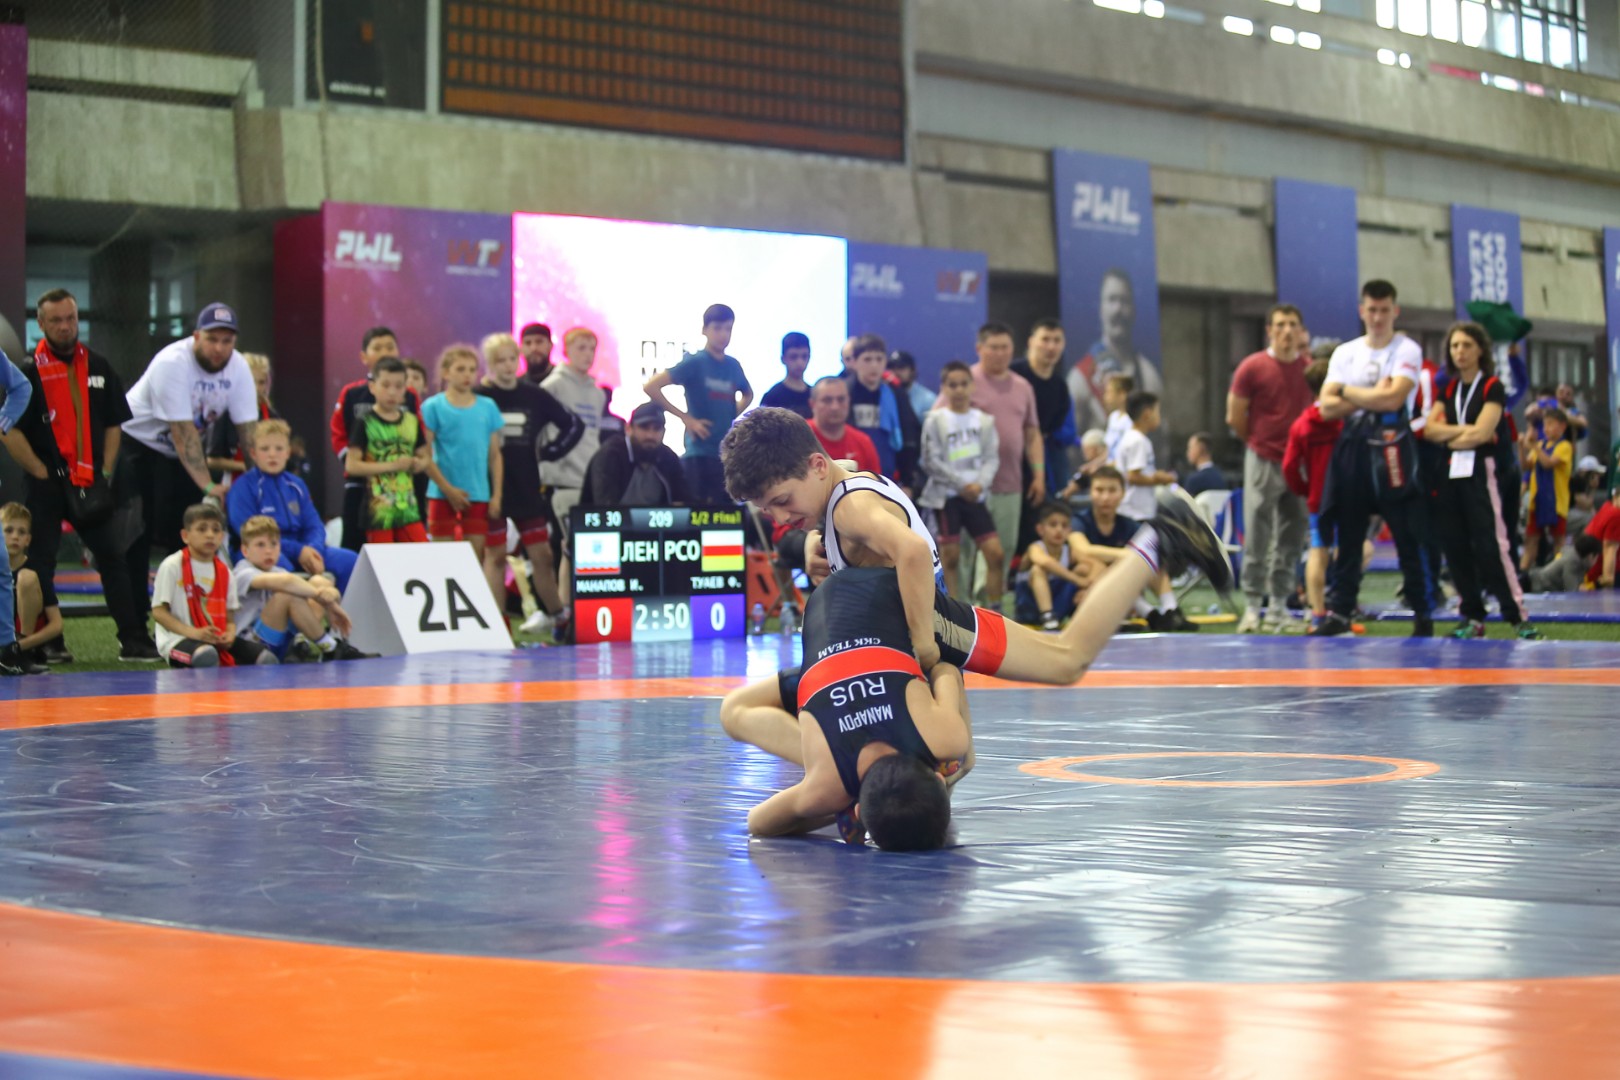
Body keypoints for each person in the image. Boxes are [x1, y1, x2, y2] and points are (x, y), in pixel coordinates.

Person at [719, 408, 1228, 681]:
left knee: (1066, 660)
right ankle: (1159, 539)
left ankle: (1159, 538)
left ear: (815, 466)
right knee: (955, 758)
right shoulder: (839, 482)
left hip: (931, 625)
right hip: (924, 618)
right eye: (768, 510)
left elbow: (911, 552)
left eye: (782, 502)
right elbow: (840, 474)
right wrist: (817, 536)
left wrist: (924, 644)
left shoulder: (849, 509)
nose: (780, 518)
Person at [718, 566, 974, 850]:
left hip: (851, 604)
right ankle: (833, 764)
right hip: (835, 652)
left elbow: (946, 669)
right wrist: (837, 803)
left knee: (732, 711)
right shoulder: (826, 786)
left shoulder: (946, 738)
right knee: (733, 713)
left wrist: (963, 742)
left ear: (938, 778)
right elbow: (759, 822)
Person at [0, 291, 151, 662]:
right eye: (56, 320)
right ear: (41, 323)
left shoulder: (98, 365)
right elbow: (8, 428)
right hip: (46, 484)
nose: (65, 326)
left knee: (113, 556)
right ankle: (47, 642)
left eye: (70, 318)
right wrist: (39, 470)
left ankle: (133, 638)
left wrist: (105, 470)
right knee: (40, 562)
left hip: (89, 481)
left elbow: (114, 422)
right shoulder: (26, 371)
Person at [121, 303, 260, 635]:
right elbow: (183, 435)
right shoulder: (173, 363)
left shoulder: (238, 367)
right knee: (137, 534)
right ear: (196, 336)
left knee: (187, 534)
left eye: (227, 341)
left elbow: (249, 432)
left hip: (177, 452)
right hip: (137, 443)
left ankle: (189, 623)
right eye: (212, 339)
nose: (219, 348)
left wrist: (259, 483)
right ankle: (135, 631)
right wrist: (209, 487)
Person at [1312, 280, 1435, 638]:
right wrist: (1370, 394)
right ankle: (1340, 611)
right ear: (1361, 311)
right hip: (1353, 445)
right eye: (1372, 310)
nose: (1378, 317)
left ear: (1395, 311)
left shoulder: (1407, 349)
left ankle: (1422, 613)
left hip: (1393, 445)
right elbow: (1326, 407)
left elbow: (1393, 400)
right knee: (1349, 534)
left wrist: (1346, 392)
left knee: (1407, 533)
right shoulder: (1345, 352)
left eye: (1384, 310)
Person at [1422, 322, 1537, 640]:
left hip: (1482, 471)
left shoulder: (1491, 387)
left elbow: (1484, 432)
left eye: (1466, 345)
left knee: (1492, 544)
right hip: (1451, 472)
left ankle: (1517, 616)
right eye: (1455, 346)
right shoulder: (1448, 389)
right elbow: (1430, 430)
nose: (1460, 351)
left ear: (1480, 350)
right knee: (1454, 543)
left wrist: (1451, 435)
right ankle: (1472, 616)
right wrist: (1464, 433)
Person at [476, 332, 584, 634]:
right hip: (491, 488)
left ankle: (557, 614)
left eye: (512, 359)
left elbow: (573, 424)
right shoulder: (481, 396)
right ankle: (497, 622)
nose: (508, 366)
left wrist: (550, 452)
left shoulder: (533, 394)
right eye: (500, 361)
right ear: (490, 364)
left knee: (542, 555)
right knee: (495, 555)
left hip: (527, 484)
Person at [1227, 304, 1314, 633]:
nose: (1287, 331)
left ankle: (1278, 605)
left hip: (1298, 461)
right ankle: (1252, 606)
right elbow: (1235, 415)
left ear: (1300, 331)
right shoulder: (1252, 367)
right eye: (1280, 325)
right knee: (1257, 532)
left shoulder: (1308, 370)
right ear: (1270, 330)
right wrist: (1257, 441)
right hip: (1263, 457)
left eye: (1293, 324)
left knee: (1292, 534)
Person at [961, 322, 1044, 604]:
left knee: (1003, 549)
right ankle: (957, 610)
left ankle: (988, 610)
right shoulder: (964, 382)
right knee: (965, 552)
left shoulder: (1023, 387)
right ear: (979, 349)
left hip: (1010, 483)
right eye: (993, 347)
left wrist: (1039, 474)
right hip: (969, 487)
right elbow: (940, 424)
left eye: (1005, 347)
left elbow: (1032, 433)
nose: (1000, 353)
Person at [226, 417, 358, 589]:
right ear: (253, 454)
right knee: (279, 565)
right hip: (264, 550)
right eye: (265, 449)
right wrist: (298, 551)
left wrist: (313, 550)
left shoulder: (297, 485)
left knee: (350, 561)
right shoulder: (243, 487)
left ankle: (338, 607)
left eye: (279, 448)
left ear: (288, 453)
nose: (272, 454)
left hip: (304, 549)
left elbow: (314, 525)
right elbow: (249, 534)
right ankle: (301, 606)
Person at [644, 303, 752, 504]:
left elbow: (748, 394)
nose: (723, 334)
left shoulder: (733, 365)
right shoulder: (695, 362)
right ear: (704, 330)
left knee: (727, 514)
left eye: (728, 329)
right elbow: (651, 386)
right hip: (699, 452)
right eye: (717, 328)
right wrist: (686, 419)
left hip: (727, 453)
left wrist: (732, 414)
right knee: (697, 512)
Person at [330, 327, 422, 552]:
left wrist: (415, 463)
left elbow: (419, 439)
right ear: (364, 356)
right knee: (358, 546)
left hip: (403, 488)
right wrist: (362, 466)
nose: (384, 352)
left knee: (414, 549)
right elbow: (339, 434)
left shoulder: (410, 396)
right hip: (361, 484)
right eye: (377, 348)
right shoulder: (352, 394)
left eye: (389, 347)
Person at [917, 360, 1002, 604]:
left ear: (972, 386)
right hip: (948, 497)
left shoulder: (984, 421)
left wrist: (980, 484)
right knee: (950, 556)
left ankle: (995, 609)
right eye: (952, 385)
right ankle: (954, 612)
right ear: (943, 388)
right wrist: (960, 486)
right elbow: (930, 460)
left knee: (995, 553)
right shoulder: (935, 420)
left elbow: (991, 457)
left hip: (976, 495)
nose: (959, 390)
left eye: (964, 384)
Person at [151, 503, 275, 668]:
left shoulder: (225, 572)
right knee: (206, 655)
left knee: (265, 658)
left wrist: (229, 635)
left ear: (222, 536)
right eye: (202, 529)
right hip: (177, 639)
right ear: (185, 536)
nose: (210, 535)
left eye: (216, 530)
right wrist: (194, 633)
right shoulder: (172, 565)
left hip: (214, 638)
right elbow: (159, 613)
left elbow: (229, 620)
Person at [231, 515, 370, 662]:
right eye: (260, 545)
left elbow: (313, 585)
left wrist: (331, 595)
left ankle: (302, 644)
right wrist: (326, 601)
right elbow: (287, 582)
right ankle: (330, 647)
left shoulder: (278, 571)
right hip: (252, 647)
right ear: (245, 550)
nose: (268, 551)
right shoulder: (242, 572)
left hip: (281, 640)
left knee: (318, 581)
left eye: (274, 544)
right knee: (286, 595)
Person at [1072, 465, 1192, 632]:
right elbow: (1083, 550)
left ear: (1123, 493)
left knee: (1149, 560)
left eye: (1112, 490)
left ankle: (1170, 611)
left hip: (1122, 586)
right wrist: (1129, 555)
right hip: (1084, 586)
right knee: (1091, 565)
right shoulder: (1078, 521)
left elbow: (1151, 553)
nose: (1105, 497)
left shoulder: (1129, 525)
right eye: (1099, 490)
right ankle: (1147, 614)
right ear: (1090, 492)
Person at [423, 345, 506, 574]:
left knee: (473, 563)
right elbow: (425, 455)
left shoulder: (487, 407)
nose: (467, 375)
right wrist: (447, 489)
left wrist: (496, 496)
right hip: (441, 494)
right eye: (460, 369)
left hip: (477, 493)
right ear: (446, 373)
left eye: (472, 369)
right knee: (442, 562)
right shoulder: (433, 407)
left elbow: (495, 456)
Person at [344, 357, 437, 543]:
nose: (392, 392)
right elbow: (352, 466)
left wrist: (418, 464)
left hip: (408, 508)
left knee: (423, 553)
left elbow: (426, 456)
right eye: (386, 385)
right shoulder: (365, 422)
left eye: (398, 386)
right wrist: (393, 465)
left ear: (405, 389)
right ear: (373, 387)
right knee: (383, 559)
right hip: (378, 511)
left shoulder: (411, 421)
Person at [1282, 359, 1343, 631]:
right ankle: (1342, 610)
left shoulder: (1301, 425)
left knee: (1318, 551)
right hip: (1348, 497)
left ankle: (1318, 613)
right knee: (1351, 550)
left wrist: (1305, 490)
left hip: (1319, 499)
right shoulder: (1344, 421)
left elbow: (1289, 466)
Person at [1068, 270, 1164, 432]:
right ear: (1101, 308)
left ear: (1134, 310)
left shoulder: (1149, 377)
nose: (1118, 309)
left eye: (1124, 301)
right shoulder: (1080, 378)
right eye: (1112, 299)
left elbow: (1158, 433)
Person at [1011, 318, 1078, 497]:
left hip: (1041, 462)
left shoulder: (1060, 386)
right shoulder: (1012, 374)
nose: (1051, 347)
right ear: (1031, 342)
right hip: (1008, 460)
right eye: (1045, 339)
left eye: (1057, 341)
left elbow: (1050, 431)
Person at [581, 402, 690, 507]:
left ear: (664, 432)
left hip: (657, 520)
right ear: (628, 428)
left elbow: (683, 502)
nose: (650, 435)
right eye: (644, 427)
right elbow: (605, 507)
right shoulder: (610, 455)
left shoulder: (668, 457)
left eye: (657, 429)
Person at [1015, 500, 1096, 629]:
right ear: (1040, 529)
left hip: (1058, 606)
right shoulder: (1035, 548)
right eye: (1053, 525)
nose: (1059, 530)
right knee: (1037, 570)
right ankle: (1047, 615)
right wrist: (1077, 579)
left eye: (1064, 526)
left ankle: (1085, 614)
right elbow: (1045, 562)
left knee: (1084, 568)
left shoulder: (1070, 551)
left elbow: (1096, 565)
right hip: (1030, 609)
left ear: (1069, 531)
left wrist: (1086, 589)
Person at [842, 334, 905, 479]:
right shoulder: (843, 393)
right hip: (853, 474)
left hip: (888, 474)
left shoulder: (896, 394)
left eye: (879, 359)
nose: (874, 365)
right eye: (867, 359)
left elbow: (907, 437)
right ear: (854, 362)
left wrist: (907, 481)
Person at [206, 352, 279, 476]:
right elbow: (211, 460)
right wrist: (247, 466)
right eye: (251, 381)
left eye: (261, 382)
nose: (256, 388)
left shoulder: (272, 417)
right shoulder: (224, 414)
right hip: (231, 483)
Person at [3, 502, 55, 673]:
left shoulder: (36, 570)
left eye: (21, 532)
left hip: (26, 645)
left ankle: (21, 657)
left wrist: (20, 645)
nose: (15, 537)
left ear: (28, 540)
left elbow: (56, 624)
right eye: (8, 530)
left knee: (26, 578)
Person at [1520, 408, 1573, 572]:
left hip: (1557, 502)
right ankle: (1522, 573)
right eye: (1545, 425)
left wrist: (1534, 447)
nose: (1546, 429)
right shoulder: (1541, 445)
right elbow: (1526, 466)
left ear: (1562, 426)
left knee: (1559, 540)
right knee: (1531, 539)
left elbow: (1548, 463)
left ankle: (1559, 574)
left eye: (1551, 424)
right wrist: (1521, 447)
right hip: (1537, 500)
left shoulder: (1565, 446)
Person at [1115, 391, 1174, 523]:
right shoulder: (1138, 441)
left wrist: (1154, 475)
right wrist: (1159, 480)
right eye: (1157, 412)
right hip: (1136, 512)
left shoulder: (1132, 437)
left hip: (1135, 510)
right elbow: (1133, 476)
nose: (1159, 417)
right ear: (1147, 413)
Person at [806, 376, 881, 474]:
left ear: (849, 401)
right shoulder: (798, 437)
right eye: (827, 400)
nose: (835, 407)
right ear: (812, 404)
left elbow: (875, 482)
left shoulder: (863, 442)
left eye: (841, 399)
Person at [1521, 534, 1599, 594]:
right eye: (1596, 558)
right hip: (1531, 584)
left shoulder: (1574, 555)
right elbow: (1572, 591)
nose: (1596, 561)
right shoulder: (1572, 562)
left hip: (1534, 581)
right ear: (1590, 556)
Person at [760, 332, 813, 418]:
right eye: (793, 357)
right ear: (783, 359)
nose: (800, 362)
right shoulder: (773, 396)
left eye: (804, 356)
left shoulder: (814, 395)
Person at [1582, 487, 1619, 589]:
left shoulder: (1607, 506)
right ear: (1615, 497)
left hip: (1588, 569)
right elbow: (1609, 549)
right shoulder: (1616, 516)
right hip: (1598, 575)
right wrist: (1608, 580)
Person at [887, 350, 937, 424]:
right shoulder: (883, 396)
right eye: (892, 368)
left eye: (901, 368)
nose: (896, 372)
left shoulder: (928, 400)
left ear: (912, 371)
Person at [1181, 433, 1226, 497]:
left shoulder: (1194, 480)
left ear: (1200, 448)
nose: (1188, 452)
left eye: (1190, 448)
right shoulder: (1221, 477)